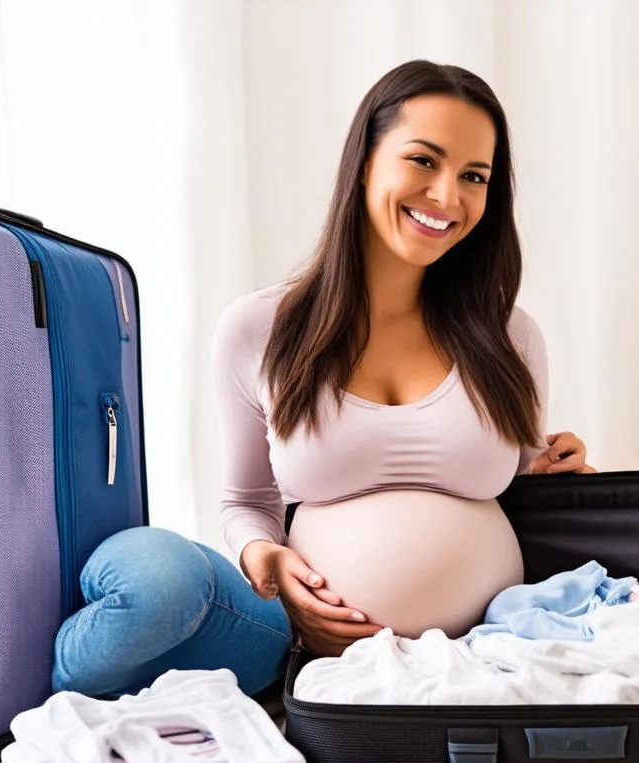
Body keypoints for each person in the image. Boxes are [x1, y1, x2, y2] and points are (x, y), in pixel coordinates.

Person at [51, 59, 596, 701]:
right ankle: (24, 710)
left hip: (480, 650)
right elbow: (246, 500)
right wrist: (269, 563)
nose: (447, 196)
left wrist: (555, 464)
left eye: (473, 176)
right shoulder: (260, 328)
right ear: (365, 160)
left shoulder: (511, 335)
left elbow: (517, 481)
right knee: (154, 579)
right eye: (424, 160)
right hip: (293, 638)